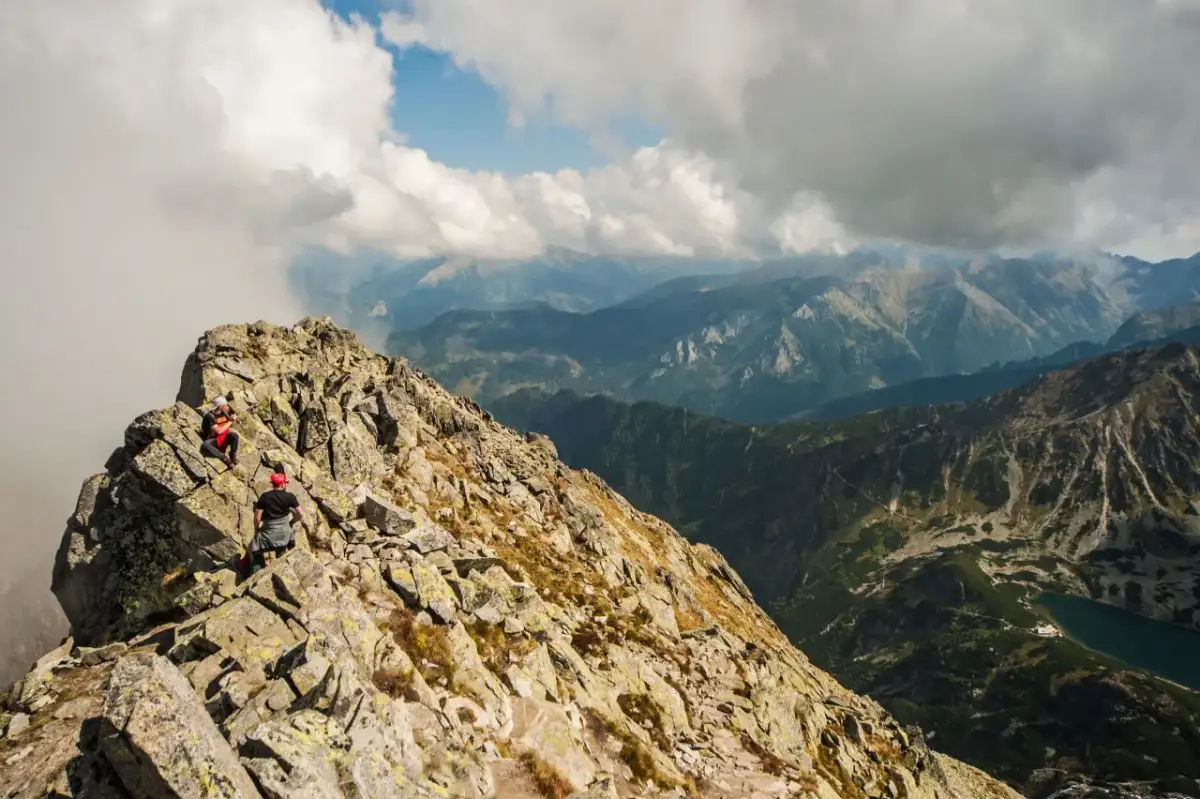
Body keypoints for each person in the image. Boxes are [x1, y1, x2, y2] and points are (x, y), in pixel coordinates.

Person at [246, 472, 303, 574]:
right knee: (281, 546)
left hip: (269, 534)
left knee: (253, 549)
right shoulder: (290, 497)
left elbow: (257, 517)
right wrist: (291, 522)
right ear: (282, 484)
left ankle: (257, 574)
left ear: (273, 484)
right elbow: (300, 514)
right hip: (285, 534)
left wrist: (257, 530)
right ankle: (282, 570)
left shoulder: (265, 497)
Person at [200, 396, 239, 466]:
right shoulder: (210, 416)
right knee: (205, 445)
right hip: (214, 439)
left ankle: (233, 454)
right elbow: (218, 431)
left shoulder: (223, 413)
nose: (227, 406)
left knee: (234, 435)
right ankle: (224, 458)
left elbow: (226, 425)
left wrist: (232, 419)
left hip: (223, 437)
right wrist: (230, 422)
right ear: (221, 406)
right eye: (226, 405)